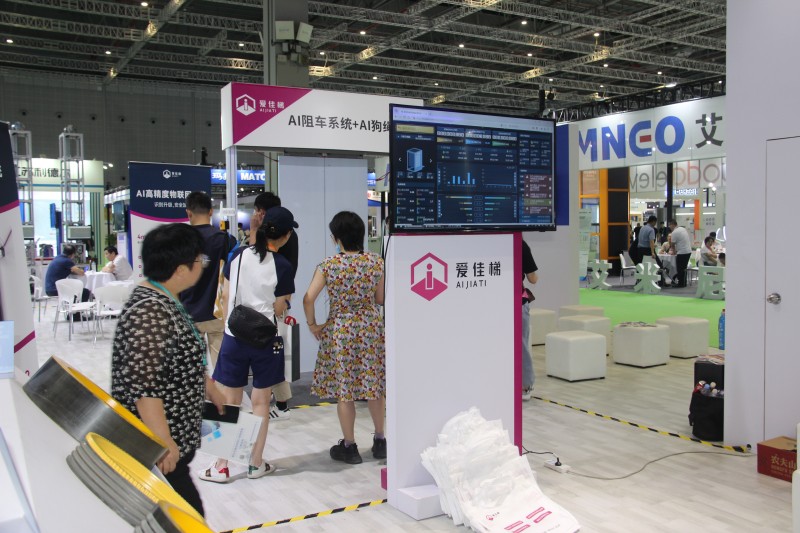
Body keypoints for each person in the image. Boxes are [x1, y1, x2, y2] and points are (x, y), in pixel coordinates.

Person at [110, 223, 226, 516]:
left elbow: (173, 358)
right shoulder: (150, 312)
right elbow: (145, 387)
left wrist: (207, 385)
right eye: (200, 260)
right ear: (181, 269)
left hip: (170, 450)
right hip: (158, 456)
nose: (203, 265)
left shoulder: (165, 299)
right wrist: (162, 441)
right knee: (186, 518)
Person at [198, 207, 296, 483]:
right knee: (261, 401)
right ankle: (255, 464)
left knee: (229, 400)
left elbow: (225, 295)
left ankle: (221, 466)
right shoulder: (283, 266)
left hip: (234, 336)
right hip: (266, 339)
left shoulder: (238, 256)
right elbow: (279, 307)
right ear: (286, 236)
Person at [303, 211, 386, 465]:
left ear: (336, 238)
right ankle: (380, 440)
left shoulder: (328, 265)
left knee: (345, 391)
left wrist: (313, 325)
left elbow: (308, 298)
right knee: (374, 386)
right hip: (370, 329)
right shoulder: (376, 262)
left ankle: (350, 446)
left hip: (341, 330)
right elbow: (380, 299)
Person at [250, 192, 298, 420]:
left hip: (270, 304)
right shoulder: (286, 233)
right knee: (274, 353)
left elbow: (253, 257)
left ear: (262, 212)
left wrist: (253, 230)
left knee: (273, 354)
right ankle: (277, 400)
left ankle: (280, 403)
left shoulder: (274, 236)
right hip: (276, 301)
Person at [180, 191, 238, 369]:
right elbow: (234, 273)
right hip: (217, 312)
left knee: (189, 369)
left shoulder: (178, 241)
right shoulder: (226, 241)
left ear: (188, 212)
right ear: (211, 211)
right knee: (222, 369)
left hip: (187, 314)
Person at [521, 239, 539, 401]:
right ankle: (525, 385)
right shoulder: (520, 244)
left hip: (496, 301)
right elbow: (533, 278)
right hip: (517, 300)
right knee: (521, 343)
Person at [668, 219, 692, 287]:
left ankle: (681, 283)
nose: (669, 227)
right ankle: (684, 282)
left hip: (682, 252)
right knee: (684, 268)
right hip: (688, 251)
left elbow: (672, 244)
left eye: (670, 225)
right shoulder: (683, 229)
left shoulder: (674, 232)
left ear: (673, 225)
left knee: (680, 268)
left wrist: (674, 252)